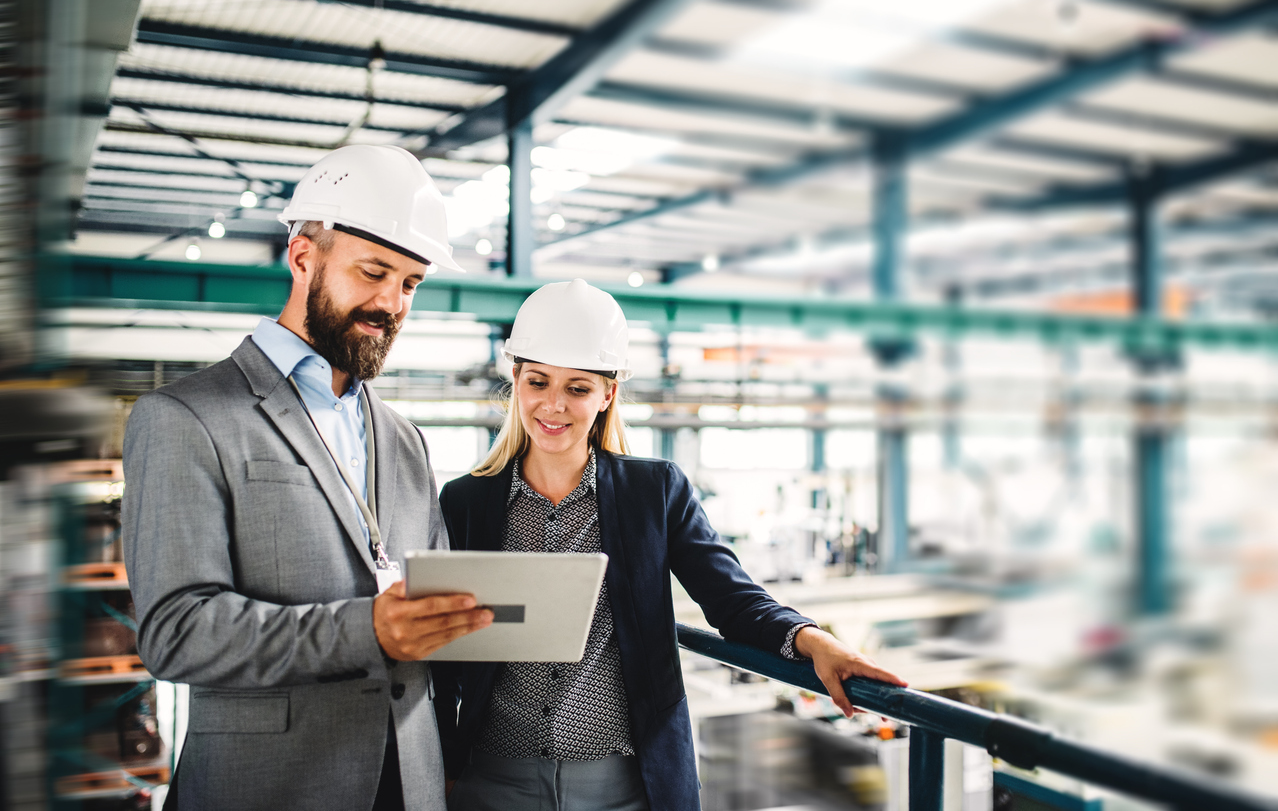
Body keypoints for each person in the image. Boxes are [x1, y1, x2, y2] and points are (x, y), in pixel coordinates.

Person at [433, 279, 907, 811]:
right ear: (516, 380)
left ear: (608, 393)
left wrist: (813, 639)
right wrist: (444, 764)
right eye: (538, 382)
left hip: (621, 782)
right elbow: (448, 647)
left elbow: (730, 597)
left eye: (578, 388)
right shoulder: (465, 501)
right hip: (493, 778)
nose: (553, 405)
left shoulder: (653, 492)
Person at [122, 144, 494, 811]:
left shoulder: (403, 439)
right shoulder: (185, 417)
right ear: (303, 258)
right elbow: (176, 631)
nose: (391, 302)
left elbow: (426, 593)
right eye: (373, 272)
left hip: (409, 784)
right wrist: (367, 631)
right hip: (272, 786)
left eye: (410, 283)